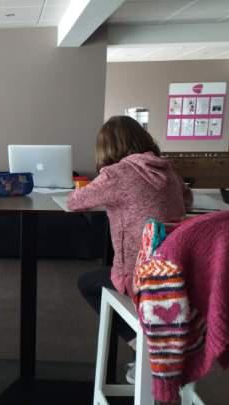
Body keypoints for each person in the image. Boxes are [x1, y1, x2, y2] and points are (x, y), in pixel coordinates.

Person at [68, 116, 193, 362]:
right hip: (177, 273)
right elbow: (187, 200)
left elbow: (75, 202)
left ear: (109, 148)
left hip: (139, 278)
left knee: (87, 283)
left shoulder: (117, 174)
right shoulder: (167, 170)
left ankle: (141, 349)